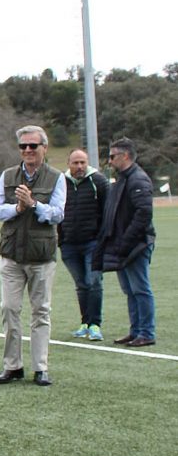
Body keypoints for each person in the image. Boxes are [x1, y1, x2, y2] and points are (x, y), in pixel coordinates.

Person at [0, 126, 65, 387]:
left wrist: (34, 205)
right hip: (11, 254)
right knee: (9, 309)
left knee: (41, 312)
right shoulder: (8, 175)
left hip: (41, 256)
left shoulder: (56, 178)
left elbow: (57, 214)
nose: (28, 150)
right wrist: (18, 207)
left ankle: (41, 367)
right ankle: (12, 366)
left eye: (33, 146)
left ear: (44, 147)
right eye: (23, 146)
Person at [101, 137, 156, 347]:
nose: (110, 160)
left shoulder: (138, 179)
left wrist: (127, 240)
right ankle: (136, 330)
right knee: (130, 290)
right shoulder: (124, 178)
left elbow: (143, 214)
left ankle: (147, 332)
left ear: (125, 156)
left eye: (113, 156)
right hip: (122, 244)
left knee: (140, 289)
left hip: (136, 245)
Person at [60, 149, 108, 341]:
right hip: (69, 245)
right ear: (69, 164)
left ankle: (95, 324)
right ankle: (85, 322)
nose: (79, 167)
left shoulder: (99, 181)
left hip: (93, 243)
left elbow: (108, 211)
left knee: (94, 282)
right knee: (81, 285)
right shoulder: (61, 183)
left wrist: (103, 238)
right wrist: (60, 239)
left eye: (83, 162)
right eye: (76, 163)